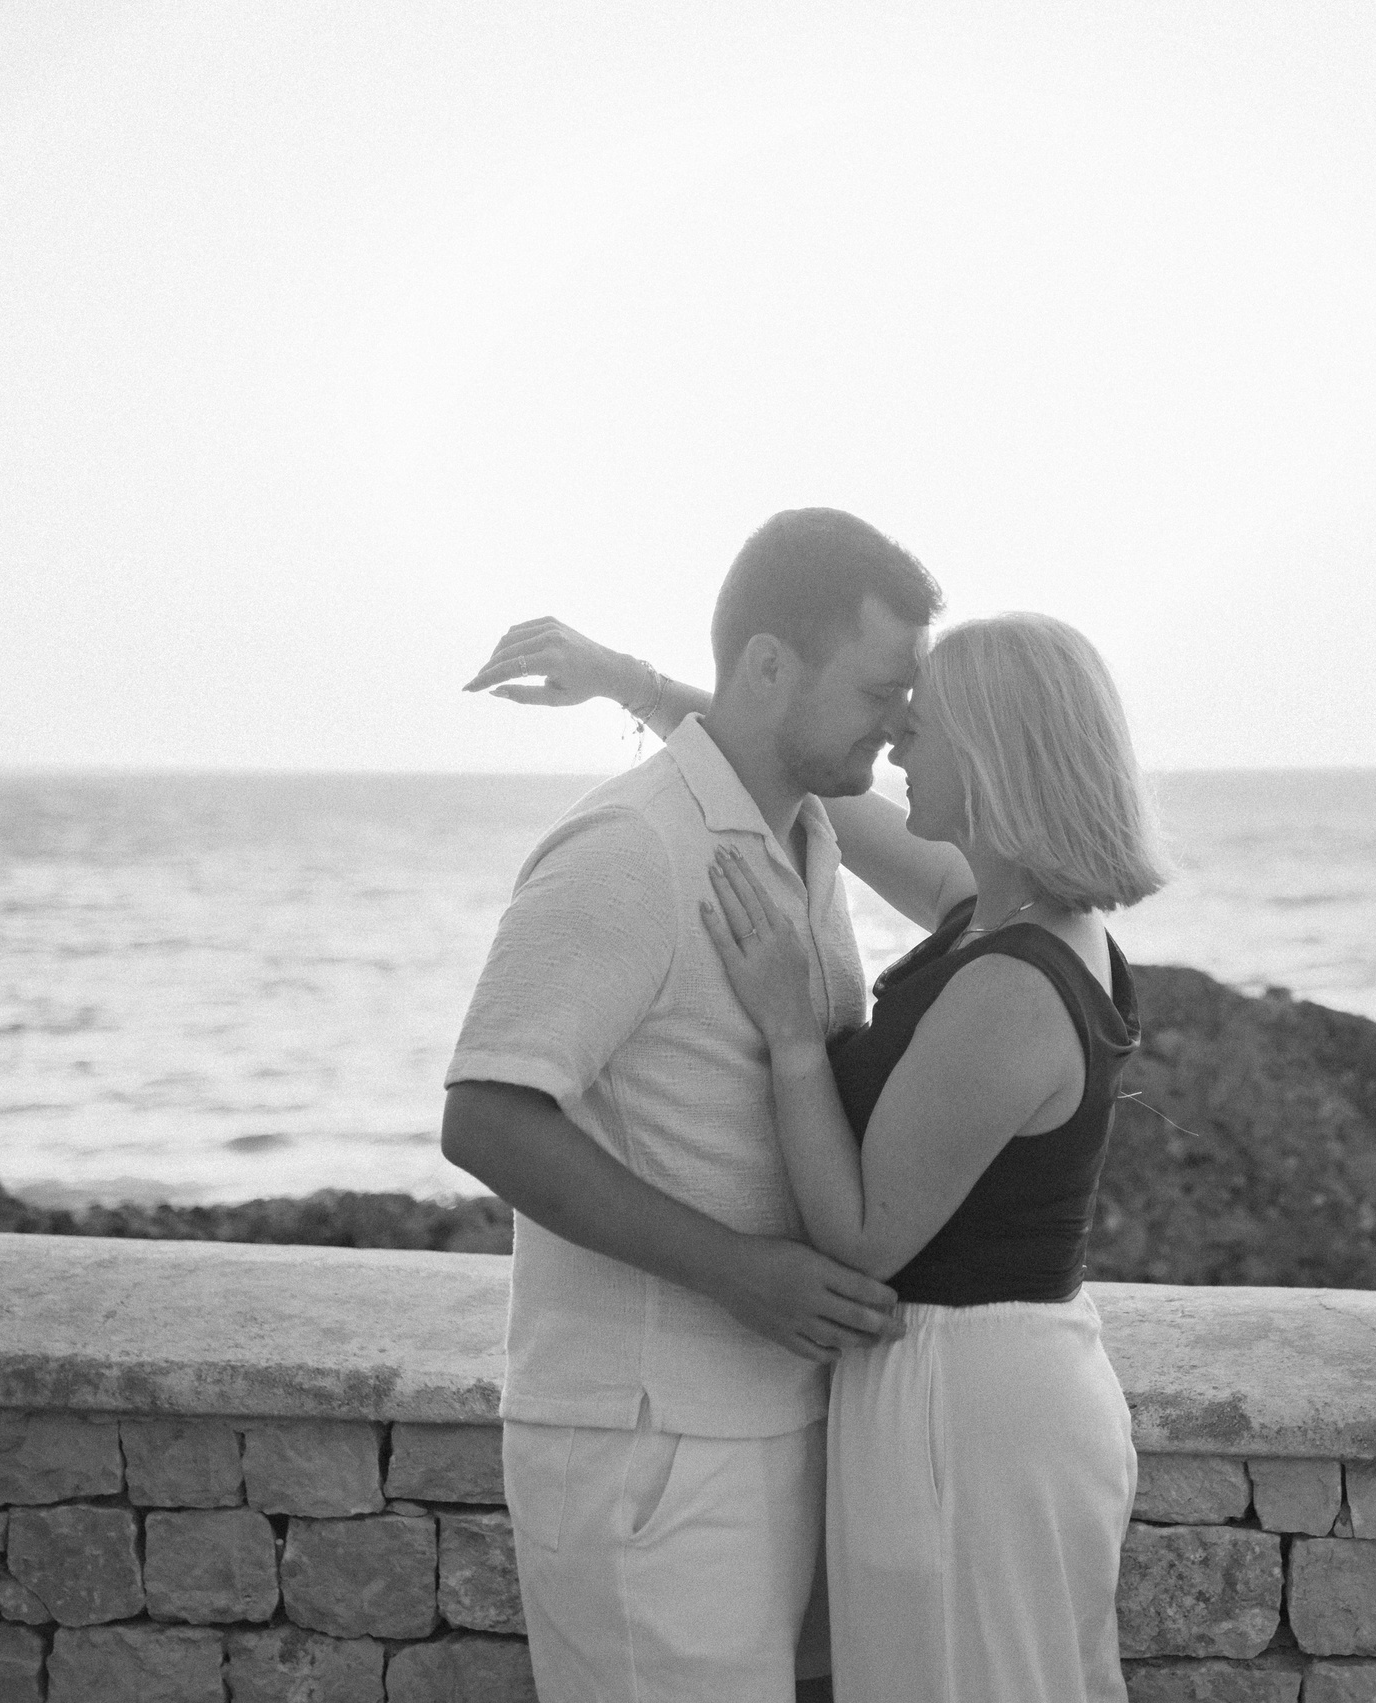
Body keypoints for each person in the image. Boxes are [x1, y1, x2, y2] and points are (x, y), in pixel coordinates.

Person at [464, 606, 1167, 1702]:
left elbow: (861, 1237)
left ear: (992, 756)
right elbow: (783, 758)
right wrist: (634, 682)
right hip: (980, 1389)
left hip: (968, 1405)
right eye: (888, 705)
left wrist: (794, 1033)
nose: (895, 739)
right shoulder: (1002, 913)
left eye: (920, 719)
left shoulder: (1011, 981)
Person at [440, 508, 941, 1703]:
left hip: (779, 1416)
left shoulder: (806, 834)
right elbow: (487, 1115)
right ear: (768, 665)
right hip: (650, 1443)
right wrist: (739, 1271)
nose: (900, 721)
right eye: (879, 688)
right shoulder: (632, 843)